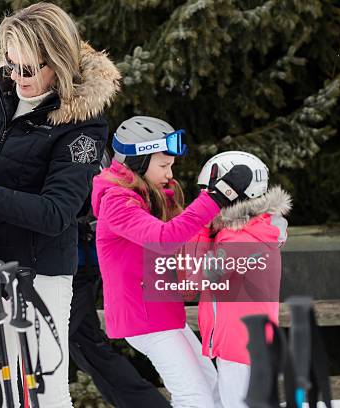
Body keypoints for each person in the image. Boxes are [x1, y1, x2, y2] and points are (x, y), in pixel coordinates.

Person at [0, 3, 121, 407]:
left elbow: (56, 213)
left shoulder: (82, 125)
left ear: (58, 61)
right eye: (10, 65)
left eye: (27, 69)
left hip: (37, 276)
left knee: (43, 389)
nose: (16, 77)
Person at [91, 116, 253, 408]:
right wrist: (217, 196)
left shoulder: (149, 197)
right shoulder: (117, 202)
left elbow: (190, 237)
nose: (170, 172)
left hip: (163, 312)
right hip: (144, 319)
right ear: (138, 162)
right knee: (195, 397)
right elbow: (165, 239)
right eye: (163, 165)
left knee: (212, 389)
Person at [70, 150, 172, 407]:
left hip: (75, 265)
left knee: (47, 345)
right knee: (87, 347)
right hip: (77, 262)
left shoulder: (75, 141)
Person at [194, 151, 291, 408]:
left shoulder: (241, 239)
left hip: (239, 345)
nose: (206, 201)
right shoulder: (253, 231)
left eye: (212, 194)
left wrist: (201, 227)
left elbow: (200, 275)